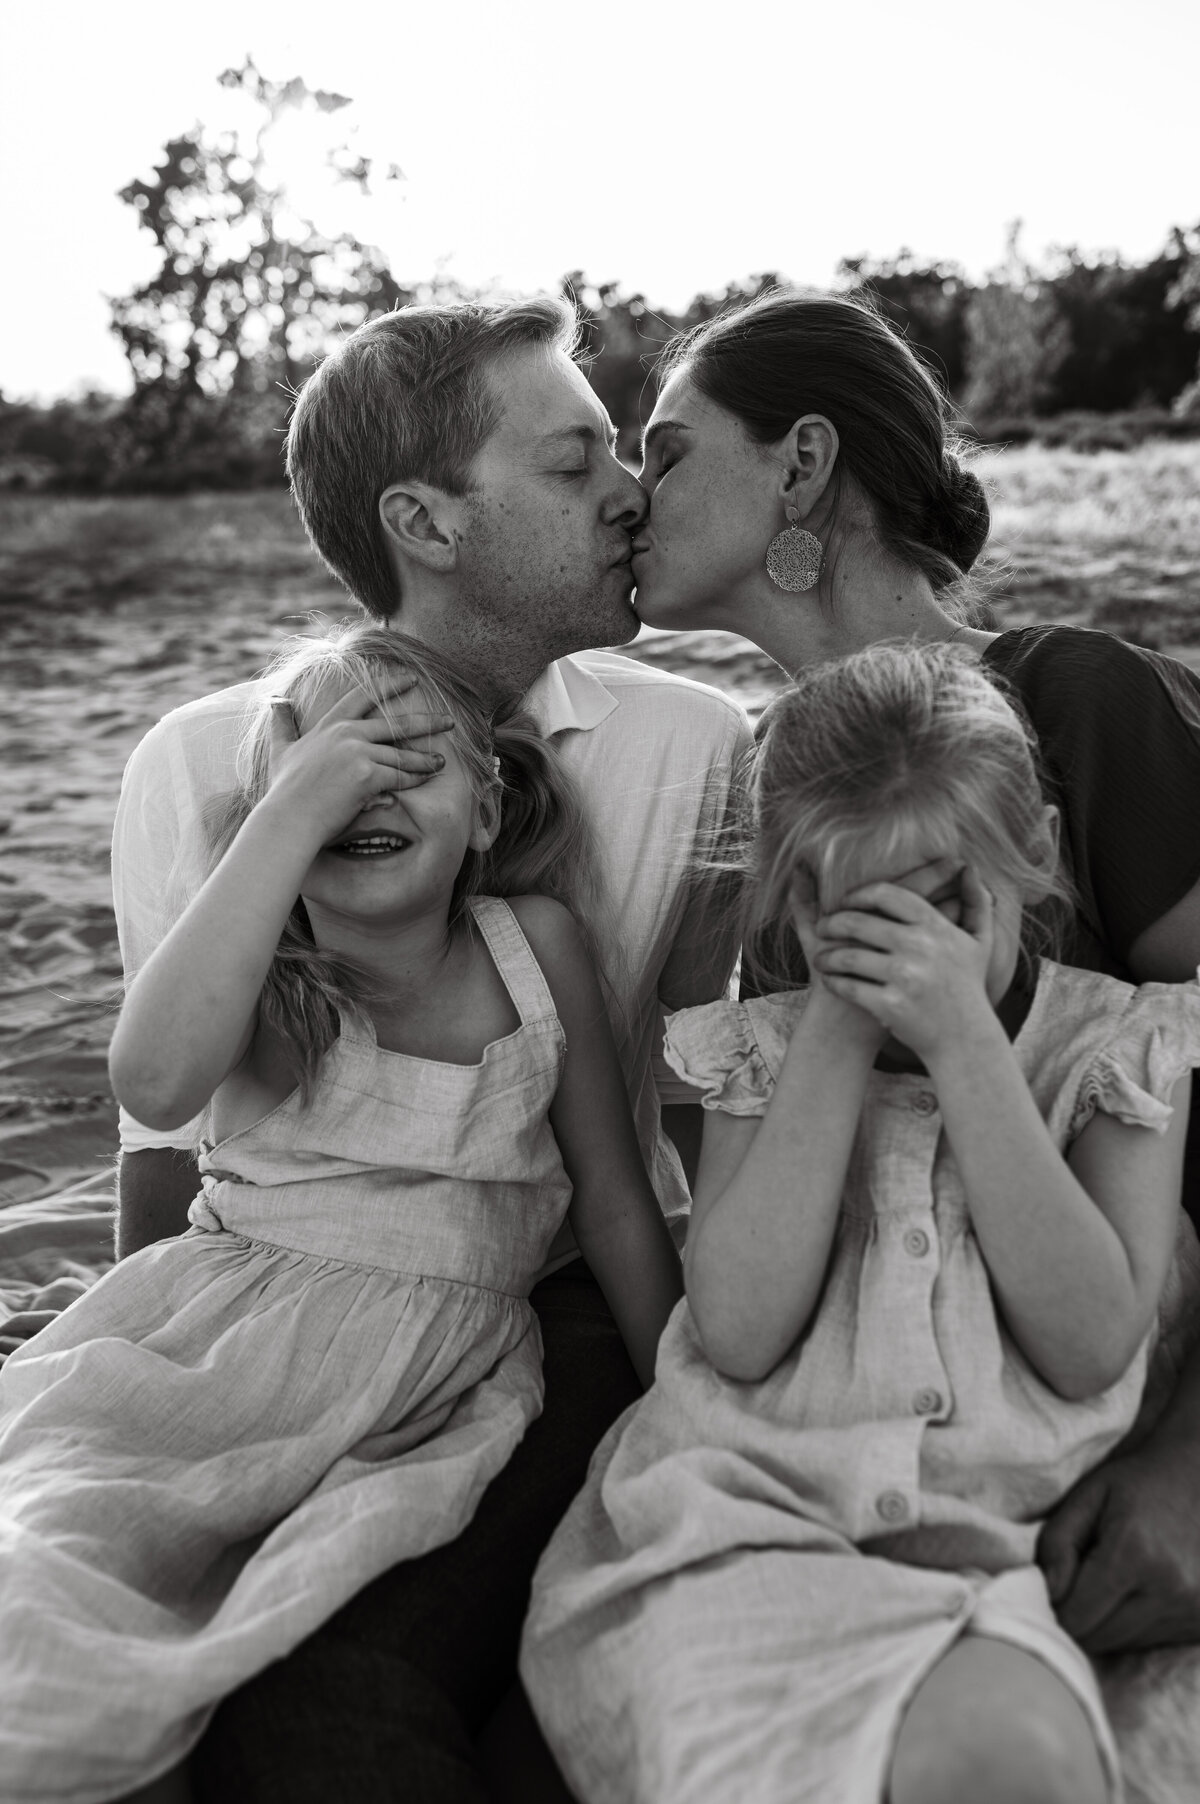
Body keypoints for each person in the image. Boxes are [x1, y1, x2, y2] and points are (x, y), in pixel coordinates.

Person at [110, 296, 751, 1799]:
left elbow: (687, 1127)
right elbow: (162, 1145)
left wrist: (695, 1409)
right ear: (425, 520)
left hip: (551, 1311)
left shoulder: (693, 742)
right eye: (573, 459)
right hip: (253, 1306)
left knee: (344, 1690)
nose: (630, 494)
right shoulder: (207, 764)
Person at [0, 624, 683, 1801]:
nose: (358, 785)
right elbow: (155, 1085)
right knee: (59, 1579)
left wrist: (690, 1393)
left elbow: (618, 1204)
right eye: (320, 771)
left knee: (289, 1611)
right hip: (215, 1359)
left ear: (485, 808)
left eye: (405, 759)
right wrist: (283, 822)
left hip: (429, 1391)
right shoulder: (267, 973)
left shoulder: (537, 951)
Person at [520, 642, 1200, 1804]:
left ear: (1029, 852)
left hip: (1001, 1555)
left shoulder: (1117, 1054)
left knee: (1016, 1761)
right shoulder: (768, 1054)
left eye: (942, 904)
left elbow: (1092, 1343)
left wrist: (968, 1050)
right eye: (860, 914)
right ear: (796, 901)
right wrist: (832, 1034)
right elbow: (735, 1330)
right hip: (748, 1536)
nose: (911, 953)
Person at [629, 288, 1200, 1660]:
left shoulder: (1077, 704)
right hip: (869, 1447)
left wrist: (1194, 1469)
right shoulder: (773, 794)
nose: (627, 496)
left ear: (804, 465)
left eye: (665, 451)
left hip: (1121, 1387)